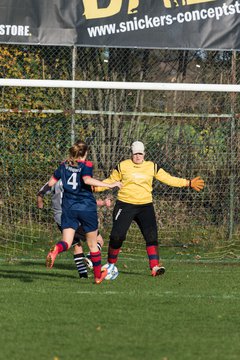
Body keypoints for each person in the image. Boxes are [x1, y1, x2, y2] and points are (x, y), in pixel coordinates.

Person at [95, 141, 205, 277]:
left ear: (144, 154)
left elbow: (168, 179)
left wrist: (187, 183)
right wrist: (96, 187)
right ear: (132, 154)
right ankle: (111, 264)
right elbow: (110, 181)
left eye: (140, 153)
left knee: (151, 236)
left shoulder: (151, 167)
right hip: (125, 205)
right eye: (135, 153)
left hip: (145, 206)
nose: (138, 156)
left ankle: (155, 267)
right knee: (117, 236)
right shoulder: (123, 166)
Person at [45, 140, 122, 284]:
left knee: (67, 242)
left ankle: (56, 249)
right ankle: (98, 277)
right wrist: (110, 185)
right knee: (93, 245)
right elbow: (87, 180)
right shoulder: (86, 165)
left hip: (68, 209)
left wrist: (40, 194)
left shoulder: (63, 165)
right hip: (86, 208)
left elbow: (50, 183)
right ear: (85, 153)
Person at [37, 180, 111, 279]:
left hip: (59, 218)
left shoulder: (53, 181)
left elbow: (40, 193)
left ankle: (83, 275)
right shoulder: (75, 180)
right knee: (98, 241)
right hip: (75, 216)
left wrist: (40, 203)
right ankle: (89, 259)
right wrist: (102, 202)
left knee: (76, 245)